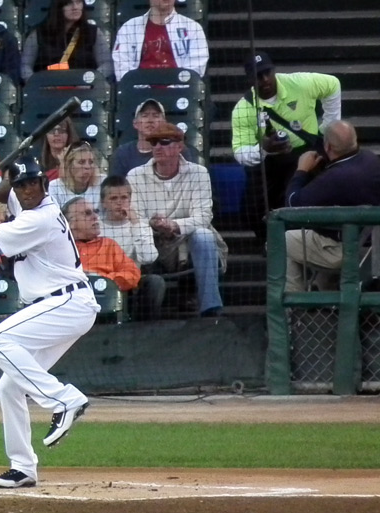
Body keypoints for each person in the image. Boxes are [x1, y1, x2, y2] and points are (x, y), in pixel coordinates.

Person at [0, 155, 100, 488]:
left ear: (44, 184)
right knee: (9, 384)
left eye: (32, 183)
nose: (25, 190)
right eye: (21, 185)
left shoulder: (42, 217)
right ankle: (23, 466)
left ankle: (63, 399)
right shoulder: (28, 207)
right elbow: (6, 193)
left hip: (66, 301)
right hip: (61, 305)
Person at [232, 51, 341, 240]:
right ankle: (268, 241)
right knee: (252, 205)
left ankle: (300, 238)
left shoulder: (300, 83)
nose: (265, 80)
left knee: (296, 194)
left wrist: (328, 128)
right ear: (249, 79)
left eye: (268, 73)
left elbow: (333, 84)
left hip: (303, 152)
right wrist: (265, 148)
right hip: (268, 159)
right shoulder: (242, 109)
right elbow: (240, 152)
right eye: (258, 76)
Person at [126, 122, 227, 317]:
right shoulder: (135, 176)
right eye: (153, 142)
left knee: (204, 235)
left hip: (186, 240)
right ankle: (136, 309)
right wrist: (154, 224)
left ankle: (211, 309)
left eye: (164, 142)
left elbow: (204, 217)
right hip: (153, 240)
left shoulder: (198, 173)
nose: (157, 147)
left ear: (180, 146)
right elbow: (134, 217)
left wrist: (174, 225)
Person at [283, 121, 380, 292]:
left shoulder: (335, 178)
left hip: (346, 251)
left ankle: (292, 309)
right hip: (371, 247)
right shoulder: (371, 159)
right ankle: (322, 291)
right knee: (320, 233)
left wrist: (301, 171)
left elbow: (292, 206)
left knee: (281, 241)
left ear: (327, 147)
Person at [97, 175, 165, 320]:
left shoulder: (140, 225)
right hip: (102, 282)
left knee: (155, 282)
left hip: (131, 283)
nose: (119, 203)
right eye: (113, 199)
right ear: (103, 203)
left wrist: (135, 223)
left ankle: (144, 330)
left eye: (124, 198)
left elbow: (148, 258)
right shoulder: (96, 227)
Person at [112, 0, 209, 82]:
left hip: (179, 93)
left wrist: (175, 87)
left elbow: (196, 68)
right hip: (139, 94)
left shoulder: (193, 28)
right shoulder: (129, 28)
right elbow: (122, 68)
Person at [21, 0, 112, 82]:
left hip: (85, 90)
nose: (75, 7)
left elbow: (107, 64)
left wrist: (91, 78)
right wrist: (37, 82)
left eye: (79, 2)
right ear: (58, 7)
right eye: (69, 3)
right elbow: (25, 66)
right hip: (47, 91)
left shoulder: (94, 32)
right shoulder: (38, 33)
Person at [64, 196, 141, 292]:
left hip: (105, 297)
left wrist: (101, 278)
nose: (95, 217)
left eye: (95, 211)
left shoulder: (109, 245)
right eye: (87, 213)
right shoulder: (60, 249)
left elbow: (132, 273)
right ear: (70, 223)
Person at [109, 99, 199, 178]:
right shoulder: (121, 154)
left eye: (156, 116)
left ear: (164, 123)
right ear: (135, 123)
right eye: (144, 116)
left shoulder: (178, 150)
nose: (150, 120)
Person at [47, 140, 103, 211]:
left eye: (91, 162)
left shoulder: (102, 182)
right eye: (81, 162)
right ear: (69, 165)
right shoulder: (55, 187)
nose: (87, 166)